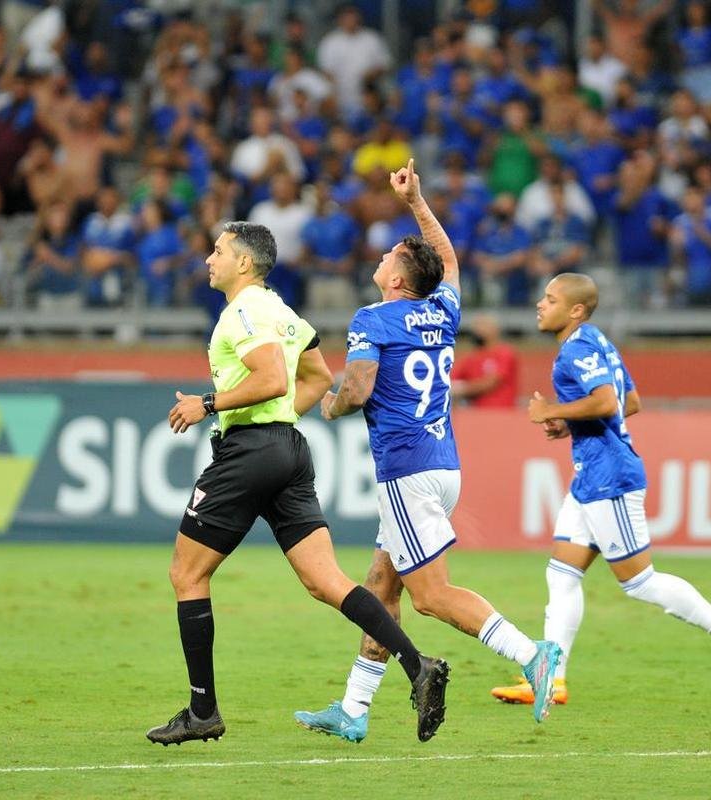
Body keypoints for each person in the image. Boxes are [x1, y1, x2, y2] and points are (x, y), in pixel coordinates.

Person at [146, 221, 450, 747]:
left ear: (244, 262)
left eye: (217, 251)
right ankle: (416, 664)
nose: (208, 259)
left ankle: (203, 712)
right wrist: (280, 423)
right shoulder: (282, 311)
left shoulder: (243, 311)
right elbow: (316, 378)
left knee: (186, 575)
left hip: (248, 453)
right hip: (287, 450)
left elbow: (270, 379)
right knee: (326, 581)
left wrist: (207, 405)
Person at [294, 160, 561, 743]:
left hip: (407, 470)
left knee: (432, 597)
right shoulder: (442, 309)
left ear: (397, 278)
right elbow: (452, 262)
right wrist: (416, 202)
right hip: (441, 463)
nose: (381, 258)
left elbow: (359, 386)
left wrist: (330, 405)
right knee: (380, 586)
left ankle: (532, 655)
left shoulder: (373, 319)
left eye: (389, 254)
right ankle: (355, 708)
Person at [490, 273, 711, 705]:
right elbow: (630, 400)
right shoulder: (596, 340)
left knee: (640, 583)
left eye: (551, 299)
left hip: (609, 477)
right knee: (561, 574)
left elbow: (609, 404)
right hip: (590, 476)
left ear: (575, 310)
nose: (540, 304)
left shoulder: (575, 349)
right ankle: (551, 679)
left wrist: (550, 410)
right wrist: (568, 423)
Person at [451, 313, 519, 408]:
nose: (477, 330)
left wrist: (463, 389)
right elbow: (451, 378)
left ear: (494, 329)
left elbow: (492, 382)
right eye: (476, 327)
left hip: (502, 412)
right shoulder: (471, 357)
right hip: (477, 414)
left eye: (482, 326)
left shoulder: (504, 353)